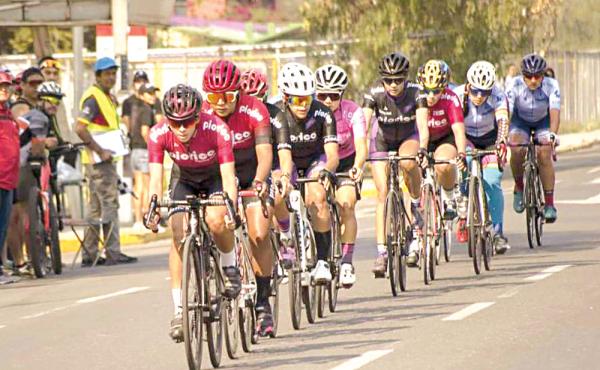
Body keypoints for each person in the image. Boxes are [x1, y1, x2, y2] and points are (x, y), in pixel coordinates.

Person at [145, 84, 239, 342]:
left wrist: (230, 207)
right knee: (178, 232)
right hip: (183, 179)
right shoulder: (158, 133)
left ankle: (229, 265)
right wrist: (152, 208)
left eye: (188, 122)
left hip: (214, 180)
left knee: (216, 220)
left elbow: (229, 176)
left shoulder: (217, 129)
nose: (183, 128)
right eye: (176, 123)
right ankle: (179, 309)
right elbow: (155, 178)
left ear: (198, 116)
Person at [202, 60, 278, 337]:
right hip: (219, 175)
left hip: (250, 172)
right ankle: (214, 270)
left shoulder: (254, 109)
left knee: (259, 234)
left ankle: (262, 304)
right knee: (214, 220)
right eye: (213, 97)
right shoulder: (203, 112)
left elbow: (265, 154)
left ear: (238, 93)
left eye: (227, 97)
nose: (219, 103)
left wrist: (259, 181)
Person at [275, 62, 339, 283]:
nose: (303, 105)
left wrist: (326, 172)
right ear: (285, 97)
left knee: (318, 197)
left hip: (315, 159)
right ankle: (286, 246)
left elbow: (332, 155)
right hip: (287, 162)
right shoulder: (275, 113)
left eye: (308, 99)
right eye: (296, 100)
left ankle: (322, 261)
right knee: (277, 193)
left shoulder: (323, 113)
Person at [362, 52, 424, 272]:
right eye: (388, 80)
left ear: (406, 78)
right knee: (382, 193)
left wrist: (423, 149)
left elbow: (423, 127)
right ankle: (381, 252)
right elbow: (365, 126)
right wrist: (359, 159)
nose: (393, 85)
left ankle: (416, 203)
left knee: (408, 163)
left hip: (408, 138)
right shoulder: (375, 93)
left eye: (398, 79)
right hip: (381, 141)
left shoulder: (416, 92)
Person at [74, 57, 138, 266]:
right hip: (99, 161)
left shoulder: (105, 96)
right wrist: (100, 151)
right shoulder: (93, 98)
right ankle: (112, 251)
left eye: (113, 73)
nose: (111, 77)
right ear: (98, 76)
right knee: (109, 204)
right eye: (107, 74)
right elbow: (80, 128)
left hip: (101, 161)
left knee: (96, 208)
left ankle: (90, 253)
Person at [315, 64, 366, 287]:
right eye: (322, 95)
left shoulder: (352, 111)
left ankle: (346, 262)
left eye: (333, 95)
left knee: (346, 203)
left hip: (346, 161)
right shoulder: (313, 111)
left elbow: (361, 144)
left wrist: (358, 165)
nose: (327, 100)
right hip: (320, 160)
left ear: (341, 95)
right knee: (314, 203)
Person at [239, 69, 295, 270]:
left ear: (265, 95)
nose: (253, 104)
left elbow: (284, 154)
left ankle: (286, 235)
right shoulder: (237, 116)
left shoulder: (275, 115)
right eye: (247, 99)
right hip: (248, 167)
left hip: (273, 165)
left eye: (258, 98)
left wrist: (285, 176)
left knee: (278, 190)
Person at [453, 61, 510, 253]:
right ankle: (463, 206)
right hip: (466, 139)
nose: (479, 97)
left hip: (490, 140)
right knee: (465, 163)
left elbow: (503, 121)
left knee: (493, 181)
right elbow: (454, 126)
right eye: (476, 91)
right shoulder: (459, 95)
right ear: (469, 85)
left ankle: (498, 233)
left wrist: (501, 142)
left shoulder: (498, 95)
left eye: (484, 92)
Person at [6, 81, 62, 275]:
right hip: (19, 165)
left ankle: (26, 262)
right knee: (20, 214)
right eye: (51, 101)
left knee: (19, 214)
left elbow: (49, 140)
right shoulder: (31, 112)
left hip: (19, 164)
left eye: (58, 101)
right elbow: (36, 144)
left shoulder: (42, 115)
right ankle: (28, 261)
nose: (55, 105)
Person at [506, 53, 560, 222]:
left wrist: (552, 135)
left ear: (543, 75)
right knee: (515, 148)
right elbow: (507, 112)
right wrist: (504, 134)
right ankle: (519, 187)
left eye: (538, 76)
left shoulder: (552, 85)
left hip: (543, 122)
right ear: (523, 75)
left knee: (544, 154)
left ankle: (549, 204)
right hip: (519, 121)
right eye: (529, 76)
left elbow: (554, 113)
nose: (533, 80)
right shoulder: (513, 85)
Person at [415, 59, 467, 220]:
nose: (431, 96)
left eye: (436, 91)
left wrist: (461, 153)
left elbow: (458, 130)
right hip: (421, 138)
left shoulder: (451, 99)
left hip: (444, 137)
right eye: (427, 90)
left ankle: (449, 195)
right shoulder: (415, 96)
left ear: (444, 88)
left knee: (443, 164)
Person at [130, 83, 159, 231]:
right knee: (147, 187)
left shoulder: (136, 109)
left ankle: (137, 221)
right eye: (149, 93)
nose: (152, 96)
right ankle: (147, 220)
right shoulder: (147, 110)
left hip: (135, 150)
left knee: (138, 186)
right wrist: (154, 149)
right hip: (144, 150)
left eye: (153, 93)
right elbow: (144, 131)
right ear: (141, 96)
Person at [0, 71, 20, 284]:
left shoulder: (8, 113)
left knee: (3, 226)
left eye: (6, 86)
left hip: (9, 178)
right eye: (1, 86)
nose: (4, 89)